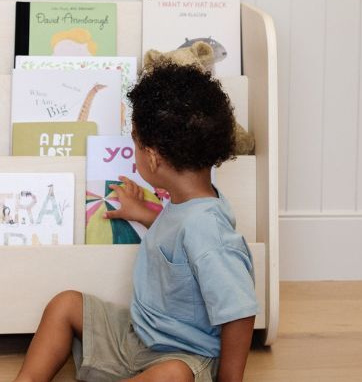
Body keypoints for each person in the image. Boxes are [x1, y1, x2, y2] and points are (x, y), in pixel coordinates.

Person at [14, 62, 258, 382]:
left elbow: (240, 310)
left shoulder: (208, 230)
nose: (132, 154)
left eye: (135, 145)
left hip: (182, 354)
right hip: (138, 334)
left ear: (153, 157)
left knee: (171, 376)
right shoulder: (190, 202)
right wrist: (143, 213)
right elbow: (182, 240)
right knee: (66, 305)